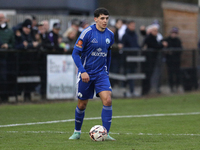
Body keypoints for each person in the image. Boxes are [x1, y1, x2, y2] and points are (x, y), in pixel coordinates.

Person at [69, 7, 115, 141]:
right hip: (86, 74)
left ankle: (105, 133)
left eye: (106, 18)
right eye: (102, 18)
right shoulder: (87, 33)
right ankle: (77, 131)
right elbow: (75, 53)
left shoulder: (110, 35)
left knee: (107, 100)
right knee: (82, 104)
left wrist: (107, 71)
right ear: (95, 19)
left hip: (101, 74)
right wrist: (82, 71)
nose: (105, 21)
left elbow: (109, 54)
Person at [141, 24, 167, 95]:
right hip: (148, 60)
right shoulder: (149, 38)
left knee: (150, 75)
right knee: (147, 75)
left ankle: (148, 90)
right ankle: (145, 91)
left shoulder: (154, 38)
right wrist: (162, 45)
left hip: (152, 60)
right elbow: (155, 46)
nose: (156, 32)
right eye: (154, 30)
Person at [120, 20, 140, 97]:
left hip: (134, 59)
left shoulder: (135, 35)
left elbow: (136, 45)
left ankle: (132, 91)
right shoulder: (125, 35)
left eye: (134, 26)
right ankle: (124, 92)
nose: (133, 27)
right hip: (126, 60)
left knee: (132, 76)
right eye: (132, 25)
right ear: (128, 26)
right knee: (126, 76)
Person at [0, 13, 15, 101]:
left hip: (5, 58)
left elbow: (13, 43)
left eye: (1, 18)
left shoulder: (9, 31)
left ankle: (4, 97)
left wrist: (7, 46)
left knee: (4, 77)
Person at [164, 27, 182, 92]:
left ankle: (177, 86)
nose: (173, 34)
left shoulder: (178, 41)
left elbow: (180, 50)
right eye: (173, 33)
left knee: (177, 74)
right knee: (170, 74)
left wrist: (173, 52)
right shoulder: (167, 40)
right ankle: (171, 87)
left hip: (177, 61)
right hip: (169, 61)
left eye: (175, 33)